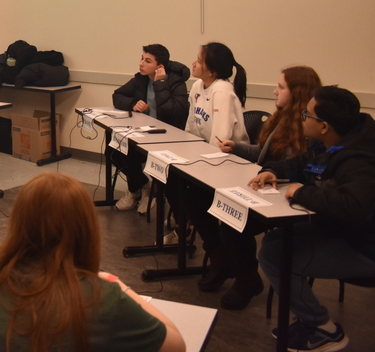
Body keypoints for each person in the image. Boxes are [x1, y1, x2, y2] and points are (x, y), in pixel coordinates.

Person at [0, 172, 185, 352]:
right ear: (86, 230)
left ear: (19, 222)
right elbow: (176, 345)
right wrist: (117, 284)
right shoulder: (103, 298)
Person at [252, 86, 375, 351]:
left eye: (307, 115)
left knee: (274, 256)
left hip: (364, 246)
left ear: (324, 126)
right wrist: (272, 170)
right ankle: (311, 319)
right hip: (341, 231)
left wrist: (302, 193)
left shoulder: (360, 158)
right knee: (273, 241)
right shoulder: (330, 141)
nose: (302, 118)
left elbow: (353, 206)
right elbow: (302, 163)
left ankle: (324, 329)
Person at [208, 66, 322, 310]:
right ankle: (231, 266)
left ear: (297, 92)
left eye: (280, 87)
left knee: (234, 223)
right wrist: (236, 147)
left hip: (289, 199)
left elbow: (300, 169)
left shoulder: (311, 129)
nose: (274, 91)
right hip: (267, 187)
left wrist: (274, 172)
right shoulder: (281, 117)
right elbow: (264, 154)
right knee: (205, 202)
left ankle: (245, 278)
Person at [163, 43, 249, 254]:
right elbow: (191, 127)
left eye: (200, 61)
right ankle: (183, 227)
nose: (193, 63)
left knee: (192, 198)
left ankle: (215, 249)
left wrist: (195, 165)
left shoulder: (223, 92)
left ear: (212, 71)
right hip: (204, 157)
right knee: (169, 176)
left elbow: (220, 140)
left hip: (230, 162)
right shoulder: (197, 87)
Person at [110, 44, 190, 214]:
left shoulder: (175, 82)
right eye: (142, 58)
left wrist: (160, 83)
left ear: (160, 67)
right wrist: (133, 104)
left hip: (166, 139)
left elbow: (174, 112)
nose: (141, 64)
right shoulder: (141, 79)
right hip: (143, 134)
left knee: (131, 153)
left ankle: (150, 191)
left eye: (147, 61)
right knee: (114, 150)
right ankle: (141, 188)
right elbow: (117, 95)